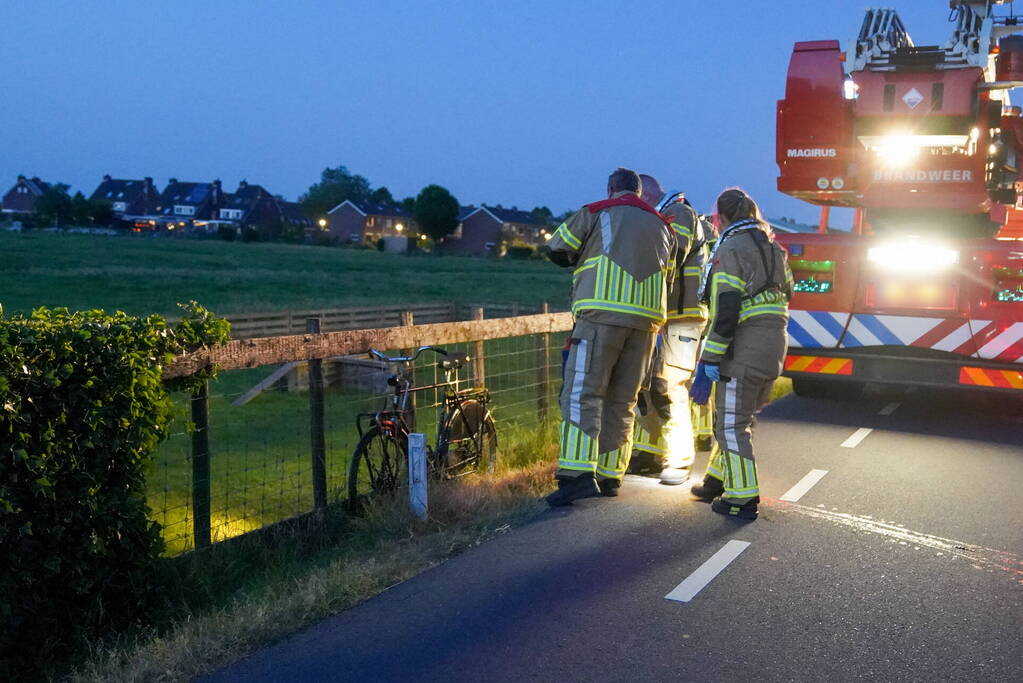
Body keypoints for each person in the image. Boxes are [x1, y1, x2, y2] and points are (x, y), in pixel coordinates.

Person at [545, 168, 675, 505]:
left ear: (611, 188)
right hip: (647, 324)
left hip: (601, 316)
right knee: (623, 400)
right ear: (638, 190)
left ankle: (575, 477)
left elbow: (556, 248)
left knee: (581, 393)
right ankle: (610, 475)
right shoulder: (664, 226)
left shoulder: (596, 211)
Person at [690, 188, 793, 520]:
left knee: (731, 425)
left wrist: (709, 359)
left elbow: (727, 309)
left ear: (721, 217)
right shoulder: (774, 248)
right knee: (738, 420)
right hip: (775, 343)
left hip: (744, 346)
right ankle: (718, 479)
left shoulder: (731, 248)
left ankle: (741, 498)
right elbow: (787, 292)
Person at [628, 175, 710, 485]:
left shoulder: (679, 213)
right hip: (666, 316)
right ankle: (650, 455)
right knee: (650, 389)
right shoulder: (665, 214)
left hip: (684, 316)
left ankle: (680, 460)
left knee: (670, 388)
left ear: (646, 194)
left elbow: (669, 255)